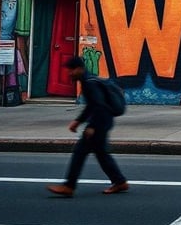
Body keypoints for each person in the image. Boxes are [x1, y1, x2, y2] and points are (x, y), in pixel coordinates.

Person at [47, 56, 128, 197]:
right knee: (101, 154)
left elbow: (99, 105)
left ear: (79, 69)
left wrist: (92, 126)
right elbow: (92, 106)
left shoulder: (89, 83)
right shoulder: (88, 81)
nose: (69, 73)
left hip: (101, 121)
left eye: (71, 70)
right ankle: (119, 182)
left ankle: (69, 186)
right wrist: (78, 121)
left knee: (80, 151)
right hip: (104, 120)